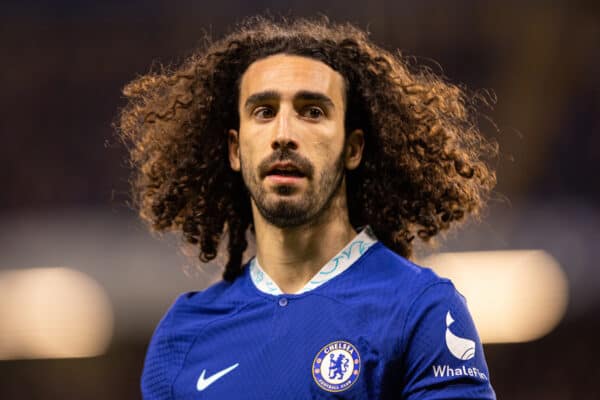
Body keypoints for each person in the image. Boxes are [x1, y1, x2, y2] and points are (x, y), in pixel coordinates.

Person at [118, 16, 497, 399]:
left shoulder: (422, 310)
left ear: (352, 148)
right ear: (235, 149)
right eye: (264, 112)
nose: (284, 135)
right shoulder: (182, 335)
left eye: (312, 111)